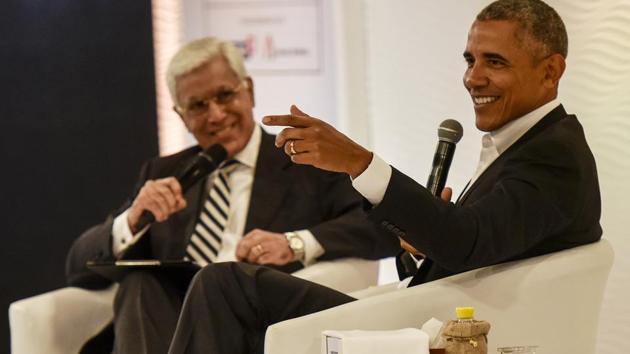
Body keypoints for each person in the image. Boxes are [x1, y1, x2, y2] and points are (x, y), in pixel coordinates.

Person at [164, 1, 602, 353]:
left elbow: (470, 242)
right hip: (418, 310)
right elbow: (476, 242)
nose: (473, 77)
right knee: (223, 293)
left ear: (550, 71)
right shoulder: (530, 146)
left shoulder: (554, 154)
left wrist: (359, 162)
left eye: (495, 61)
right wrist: (419, 241)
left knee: (225, 286)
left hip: (433, 329)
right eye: (470, 59)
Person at [65, 37, 399, 353]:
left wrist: (294, 243)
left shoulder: (303, 160)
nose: (216, 115)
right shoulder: (165, 172)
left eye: (224, 95)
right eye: (197, 105)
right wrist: (132, 219)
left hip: (250, 331)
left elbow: (384, 228)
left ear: (249, 91)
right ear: (181, 116)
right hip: (165, 335)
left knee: (216, 281)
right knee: (139, 282)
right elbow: (78, 269)